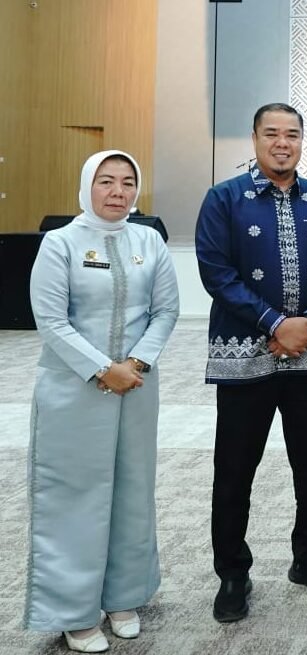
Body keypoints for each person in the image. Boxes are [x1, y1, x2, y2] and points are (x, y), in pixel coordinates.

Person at [196, 102, 307, 623]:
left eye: (292, 134)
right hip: (245, 358)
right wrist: (273, 323)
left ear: (302, 141)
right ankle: (232, 573)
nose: (282, 143)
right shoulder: (225, 199)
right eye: (272, 134)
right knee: (234, 469)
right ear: (255, 138)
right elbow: (217, 272)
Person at [25, 150, 180, 652]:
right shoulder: (60, 243)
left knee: (132, 489)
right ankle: (74, 610)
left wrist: (134, 364)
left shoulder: (149, 241)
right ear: (87, 185)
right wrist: (102, 368)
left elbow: (165, 310)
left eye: (127, 182)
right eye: (106, 181)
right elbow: (51, 320)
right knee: (75, 495)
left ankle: (123, 595)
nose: (118, 191)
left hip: (136, 385)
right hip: (73, 389)